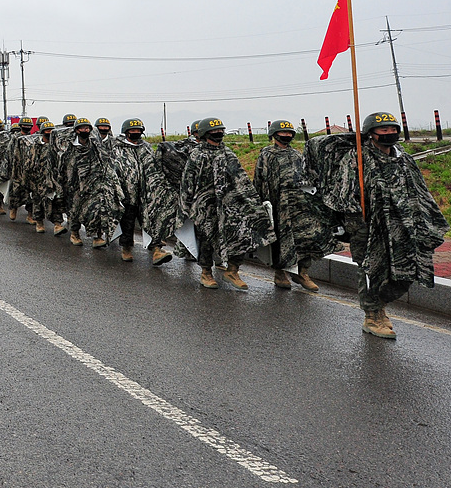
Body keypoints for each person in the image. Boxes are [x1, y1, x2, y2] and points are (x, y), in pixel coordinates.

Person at [306, 111, 448, 339]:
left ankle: (379, 303)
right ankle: (372, 315)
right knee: (372, 270)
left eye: (393, 129)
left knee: (406, 272)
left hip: (401, 226)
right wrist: (355, 222)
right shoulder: (357, 159)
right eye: (384, 130)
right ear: (371, 134)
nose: (389, 133)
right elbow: (342, 191)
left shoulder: (404, 159)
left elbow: (420, 191)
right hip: (367, 226)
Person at [179, 117, 273, 290]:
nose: (218, 134)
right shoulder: (197, 155)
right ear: (205, 134)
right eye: (214, 132)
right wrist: (185, 207)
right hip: (205, 206)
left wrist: (251, 201)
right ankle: (206, 272)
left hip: (230, 205)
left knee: (240, 234)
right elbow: (187, 182)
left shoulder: (228, 153)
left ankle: (233, 270)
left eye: (220, 131)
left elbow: (241, 177)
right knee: (207, 238)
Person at [252, 119, 337, 291]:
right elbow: (259, 180)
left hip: (300, 205)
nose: (287, 136)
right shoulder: (267, 154)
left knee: (306, 238)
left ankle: (302, 272)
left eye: (290, 133)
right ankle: (280, 273)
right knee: (281, 241)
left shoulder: (297, 155)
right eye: (283, 133)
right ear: (274, 135)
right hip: (279, 205)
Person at [108, 118, 176, 265]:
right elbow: (113, 170)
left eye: (138, 130)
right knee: (128, 222)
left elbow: (154, 166)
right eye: (133, 131)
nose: (136, 133)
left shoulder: (145, 147)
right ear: (126, 132)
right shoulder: (117, 148)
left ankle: (156, 250)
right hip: (127, 194)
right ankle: (126, 248)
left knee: (152, 221)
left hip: (146, 194)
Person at [62, 117, 123, 246]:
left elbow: (105, 159)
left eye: (87, 128)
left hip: (93, 182)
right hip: (75, 184)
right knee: (75, 209)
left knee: (96, 209)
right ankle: (74, 233)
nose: (85, 130)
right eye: (82, 128)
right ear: (76, 130)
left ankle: (97, 236)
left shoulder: (95, 144)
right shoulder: (69, 146)